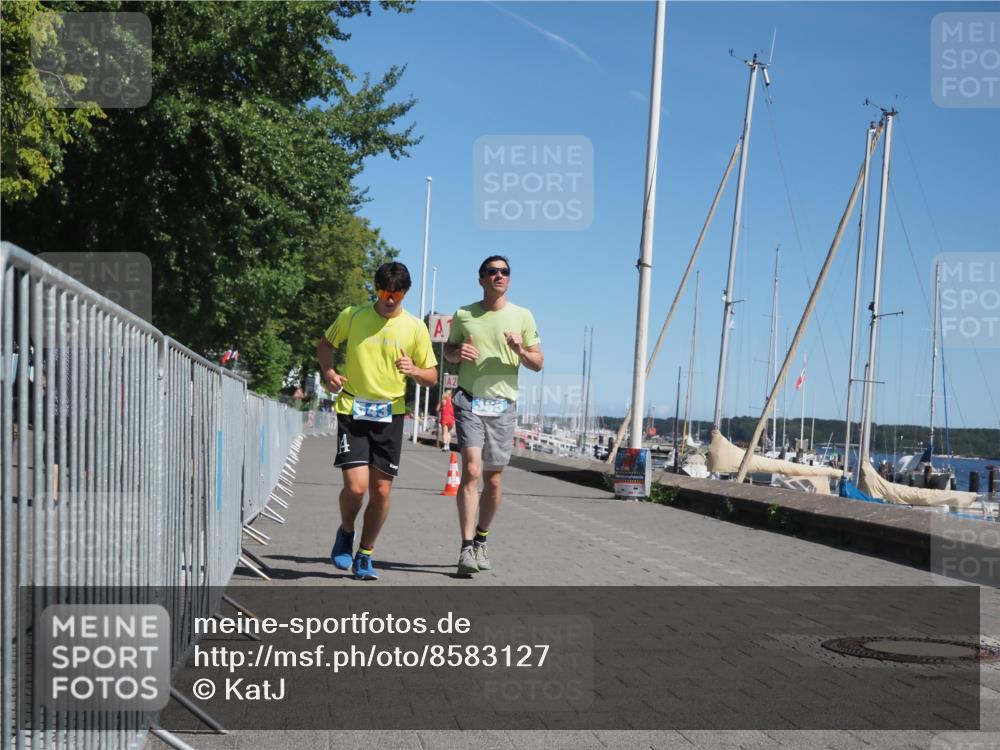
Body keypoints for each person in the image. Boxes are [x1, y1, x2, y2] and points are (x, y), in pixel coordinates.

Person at [316, 262, 437, 580]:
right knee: (356, 488)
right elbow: (325, 345)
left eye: (396, 294)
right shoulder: (352, 316)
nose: (389, 299)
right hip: (352, 408)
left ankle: (365, 554)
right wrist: (329, 372)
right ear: (376, 289)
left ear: (405, 293)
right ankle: (346, 532)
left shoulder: (415, 328)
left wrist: (415, 371)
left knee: (381, 491)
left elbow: (432, 376)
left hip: (390, 415)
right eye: (383, 293)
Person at [444, 255, 543, 576]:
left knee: (494, 479)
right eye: (492, 271)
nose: (499, 276)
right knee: (471, 470)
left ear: (509, 279)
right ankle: (465, 547)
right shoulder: (464, 314)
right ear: (481, 279)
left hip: (502, 406)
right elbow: (448, 350)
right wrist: (457, 353)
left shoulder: (523, 316)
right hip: (469, 400)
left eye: (504, 272)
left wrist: (520, 351)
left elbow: (538, 363)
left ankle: (482, 539)